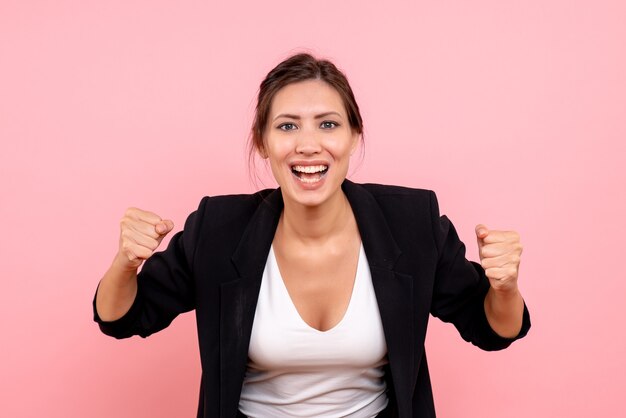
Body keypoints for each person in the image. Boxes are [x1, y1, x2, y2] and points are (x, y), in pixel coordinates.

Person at [93, 53, 530, 418]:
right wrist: (125, 263)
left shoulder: (413, 222)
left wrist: (505, 287)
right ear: (262, 142)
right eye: (286, 126)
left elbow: (493, 329)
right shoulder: (218, 228)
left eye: (327, 124)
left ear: (355, 135)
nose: (307, 145)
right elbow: (123, 318)